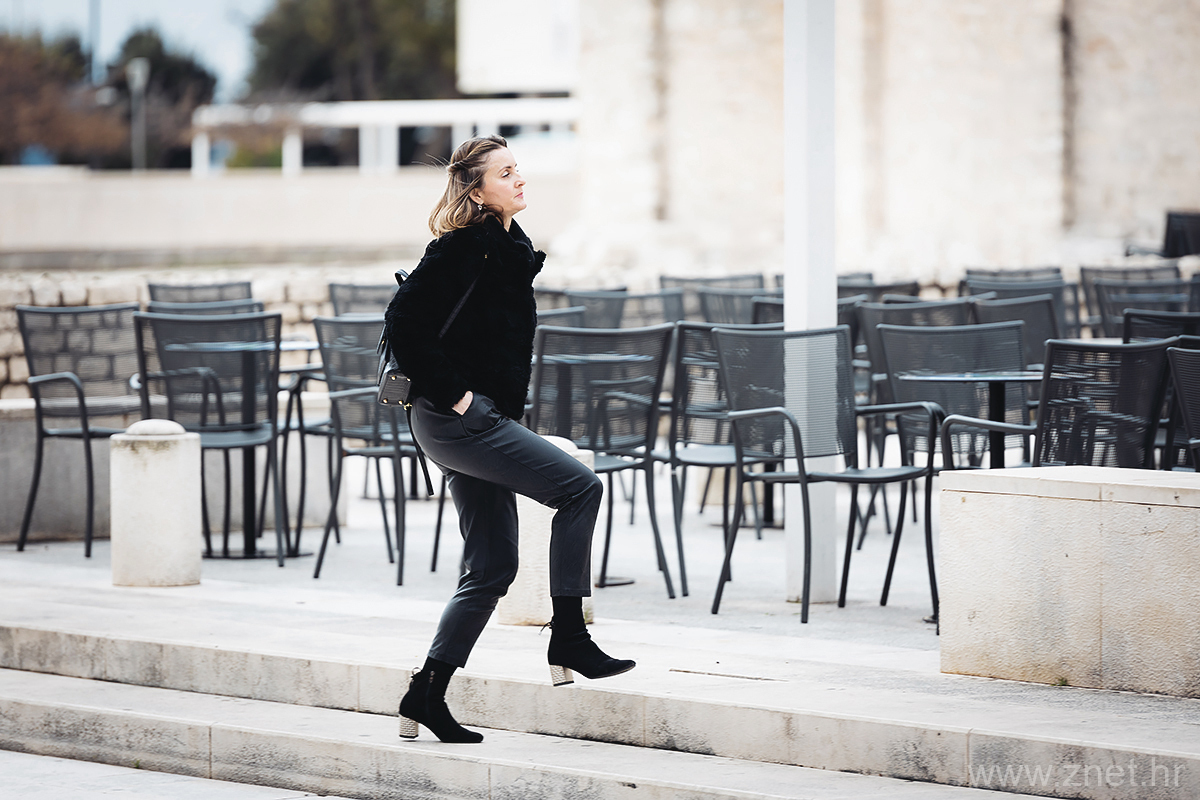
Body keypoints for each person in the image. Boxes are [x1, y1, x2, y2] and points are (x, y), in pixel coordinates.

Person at [384, 135, 635, 744]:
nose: (520, 179)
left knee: (493, 566)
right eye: (505, 173)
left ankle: (427, 693)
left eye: (518, 169)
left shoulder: (506, 246)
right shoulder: (465, 246)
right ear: (476, 190)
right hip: (457, 420)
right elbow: (403, 322)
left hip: (468, 422)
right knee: (580, 489)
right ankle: (569, 636)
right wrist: (461, 398)